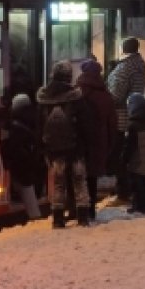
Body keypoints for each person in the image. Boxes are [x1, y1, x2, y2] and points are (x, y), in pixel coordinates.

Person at [37, 60, 94, 228]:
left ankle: (57, 218)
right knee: (79, 180)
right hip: (75, 146)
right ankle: (83, 217)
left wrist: (42, 148)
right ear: (69, 77)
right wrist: (87, 145)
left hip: (53, 148)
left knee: (58, 182)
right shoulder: (76, 97)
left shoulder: (43, 98)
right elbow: (86, 124)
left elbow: (39, 125)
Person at [106, 36, 145, 202]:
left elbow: (116, 96)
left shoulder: (124, 69)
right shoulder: (138, 65)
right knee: (127, 155)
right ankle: (127, 189)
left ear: (124, 49)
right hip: (132, 113)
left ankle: (123, 192)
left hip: (121, 117)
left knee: (120, 156)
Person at [76, 58, 118, 221]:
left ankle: (78, 209)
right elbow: (112, 125)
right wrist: (109, 144)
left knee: (78, 176)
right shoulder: (106, 96)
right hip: (98, 142)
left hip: (79, 141)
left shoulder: (76, 92)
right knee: (91, 177)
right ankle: (91, 210)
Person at [0, 93, 43, 219]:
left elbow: (11, 145)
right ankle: (34, 215)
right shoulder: (33, 117)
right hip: (30, 161)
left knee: (25, 188)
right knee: (28, 189)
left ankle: (35, 217)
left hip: (20, 162)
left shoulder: (14, 124)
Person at [122, 91, 145, 215]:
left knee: (137, 185)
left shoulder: (133, 124)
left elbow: (130, 146)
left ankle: (141, 207)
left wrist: (124, 159)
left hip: (138, 160)